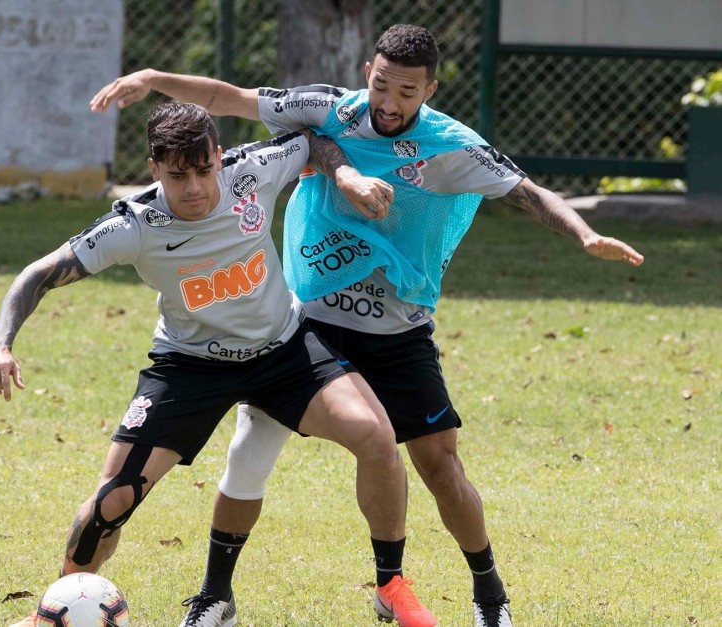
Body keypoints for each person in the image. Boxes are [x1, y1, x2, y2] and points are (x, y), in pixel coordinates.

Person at [90, 23, 645, 627]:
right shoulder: (330, 109)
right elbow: (230, 97)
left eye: (407, 92)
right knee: (252, 447)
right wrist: (153, 80)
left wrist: (585, 234)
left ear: (429, 89)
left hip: (400, 334)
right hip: (311, 325)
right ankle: (216, 596)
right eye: (382, 85)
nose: (389, 102)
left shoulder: (452, 147)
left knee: (440, 466)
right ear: (366, 74)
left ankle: (490, 598)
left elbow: (529, 193)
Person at [0, 100, 440, 627]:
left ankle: (389, 587)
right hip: (189, 365)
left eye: (203, 170)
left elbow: (311, 140)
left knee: (376, 436)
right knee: (113, 502)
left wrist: (348, 175)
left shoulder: (253, 171)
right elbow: (38, 274)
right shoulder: (136, 224)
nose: (194, 187)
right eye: (177, 176)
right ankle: (53, 613)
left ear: (219, 157)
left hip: (283, 350)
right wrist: (0, 343)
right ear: (154, 169)